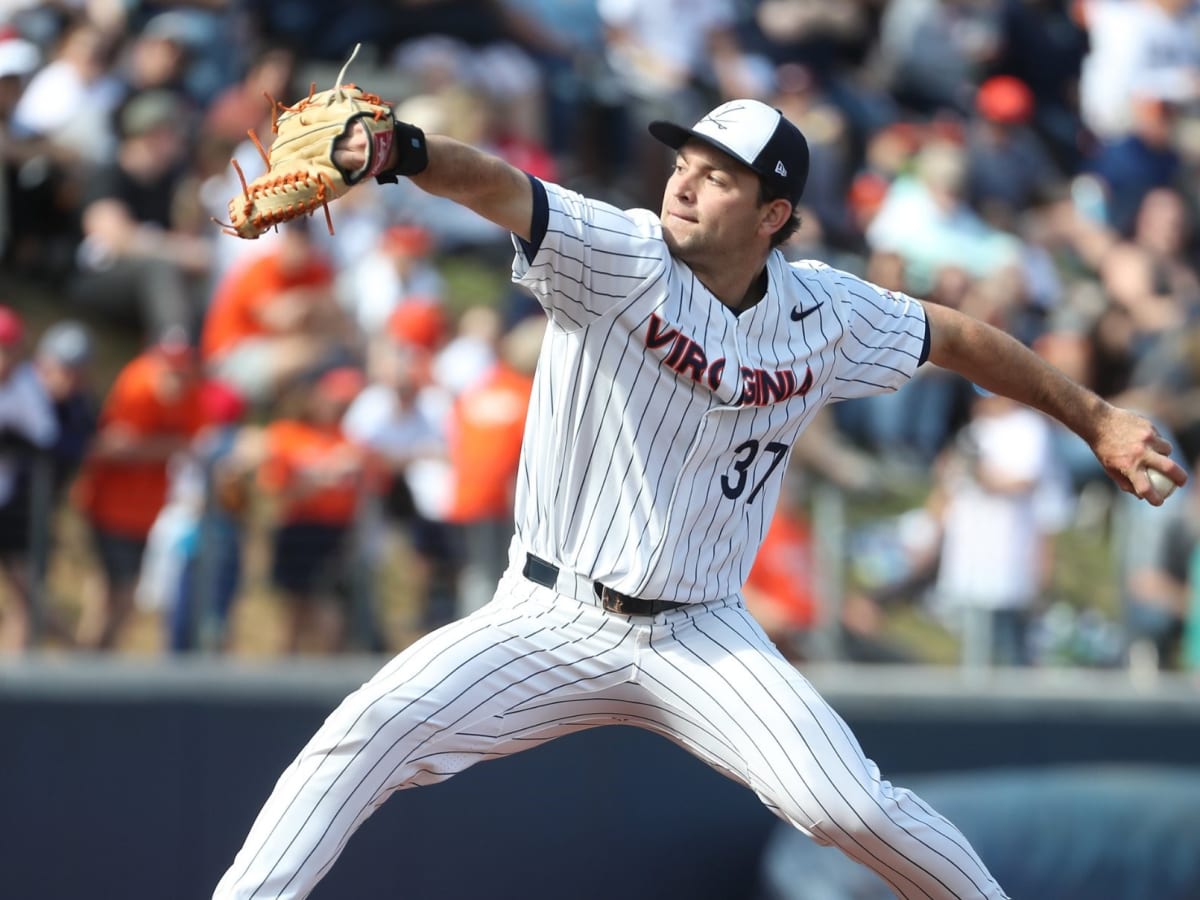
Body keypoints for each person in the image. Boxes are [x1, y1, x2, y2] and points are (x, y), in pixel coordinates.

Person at [213, 96, 1187, 900]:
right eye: (686, 159)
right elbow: (504, 190)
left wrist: (1094, 415)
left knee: (847, 807)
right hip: (547, 615)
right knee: (368, 732)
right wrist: (404, 149)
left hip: (704, 636)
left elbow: (959, 338)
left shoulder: (827, 313)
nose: (685, 177)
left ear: (773, 214)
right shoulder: (618, 252)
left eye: (718, 173)